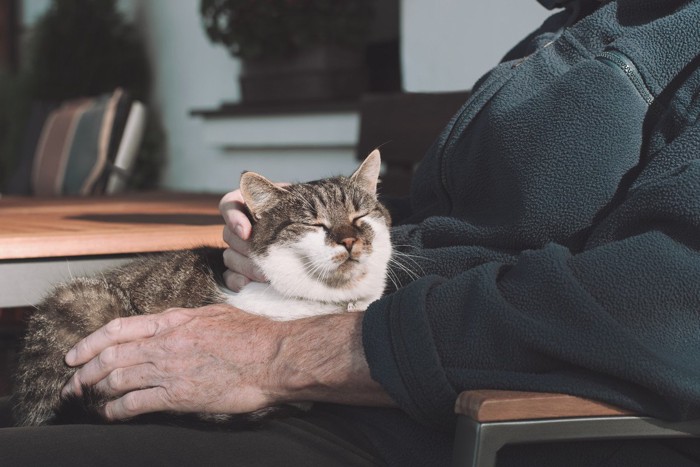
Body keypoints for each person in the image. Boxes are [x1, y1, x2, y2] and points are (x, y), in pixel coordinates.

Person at [3, 0, 700, 465]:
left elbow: (658, 305)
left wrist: (279, 356)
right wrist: (283, 234)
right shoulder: (574, 27)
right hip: (353, 372)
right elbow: (465, 223)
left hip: (418, 422)